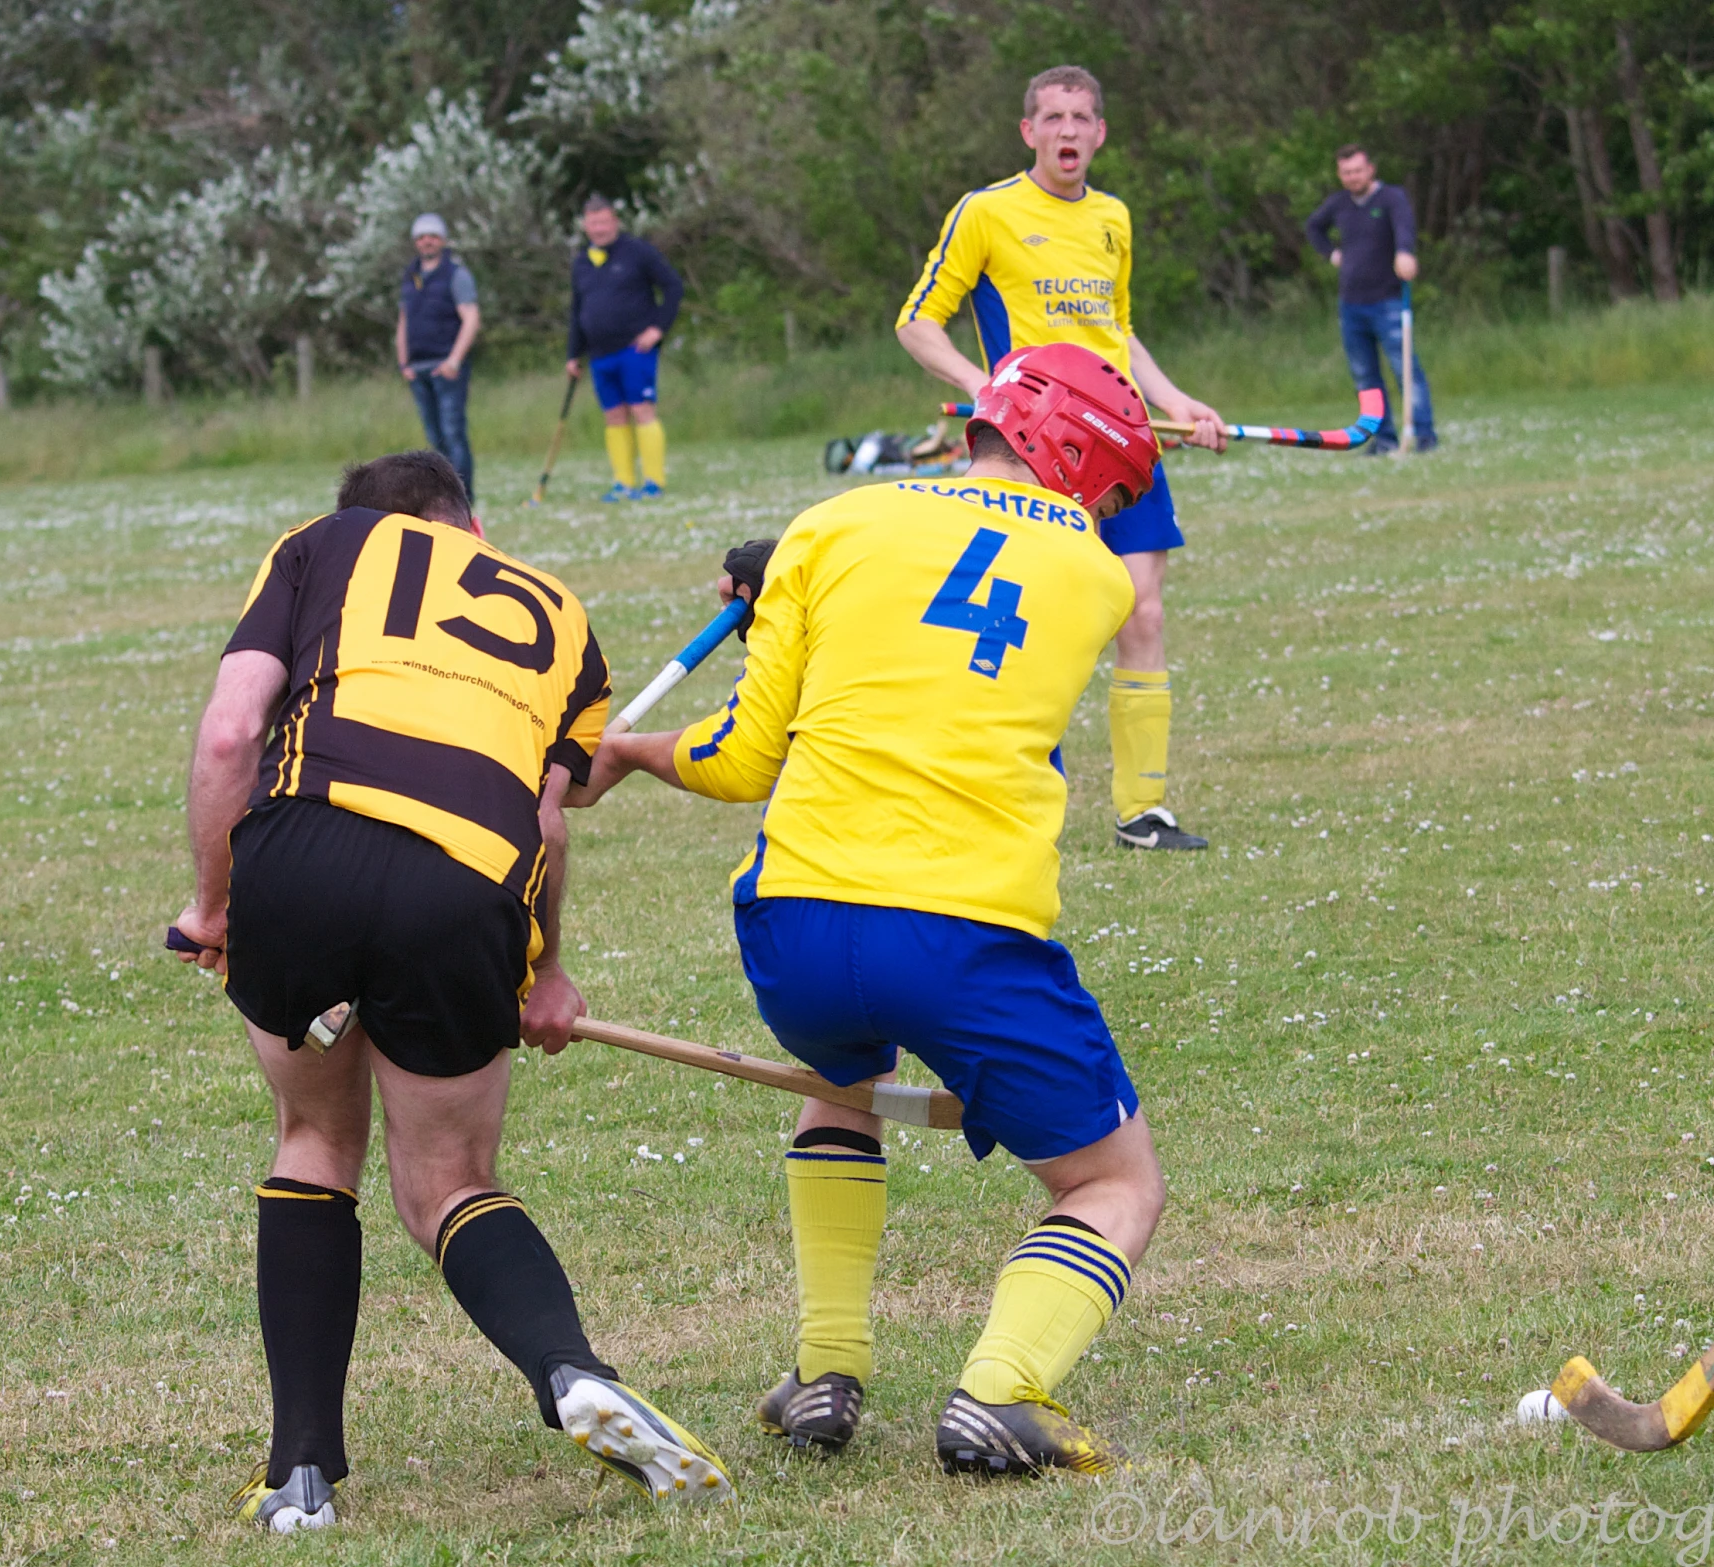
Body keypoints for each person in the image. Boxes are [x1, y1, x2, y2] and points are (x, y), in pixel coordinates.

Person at [577, 345, 1169, 1475]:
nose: (1105, 510)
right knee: (1112, 1180)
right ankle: (1003, 1390)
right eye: (1108, 488)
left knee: (835, 1085)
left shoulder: (832, 521)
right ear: (1078, 464)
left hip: (794, 922)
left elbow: (749, 753)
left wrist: (635, 752)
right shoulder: (1092, 572)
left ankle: (824, 1370)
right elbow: (959, 634)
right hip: (964, 928)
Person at [169, 450, 731, 1530]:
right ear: (467, 528)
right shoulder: (561, 613)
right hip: (468, 882)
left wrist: (211, 906)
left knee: (314, 1145)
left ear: (365, 522)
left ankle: (300, 1476)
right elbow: (549, 822)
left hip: (303, 849)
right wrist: (546, 969)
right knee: (449, 1182)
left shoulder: (317, 546)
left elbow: (235, 730)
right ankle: (572, 1372)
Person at [895, 64, 1222, 852]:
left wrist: (1174, 400)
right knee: (1036, 623)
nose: (1068, 131)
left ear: (1100, 132)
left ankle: (1144, 813)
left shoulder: (1114, 217)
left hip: (1126, 447)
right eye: (1053, 118)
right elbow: (916, 321)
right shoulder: (986, 213)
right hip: (1034, 453)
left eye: (1081, 117)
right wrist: (988, 387)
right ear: (1028, 132)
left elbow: (1119, 329)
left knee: (1141, 612)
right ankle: (1021, 795)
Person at [1304, 146, 1435, 456]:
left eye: (1358, 170)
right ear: (1340, 174)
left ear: (1370, 169)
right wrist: (1332, 254)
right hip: (1351, 305)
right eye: (1347, 172)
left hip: (1388, 301)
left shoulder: (1391, 198)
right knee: (1366, 377)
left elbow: (1404, 227)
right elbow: (1314, 227)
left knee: (1405, 370)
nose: (1353, 177)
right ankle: (1383, 438)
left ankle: (1425, 436)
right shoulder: (1338, 203)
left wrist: (1405, 252)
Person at [565, 196, 684, 502]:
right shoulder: (582, 261)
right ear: (585, 226)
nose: (599, 228)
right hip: (598, 354)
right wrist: (572, 355)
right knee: (614, 416)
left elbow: (673, 287)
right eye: (593, 223)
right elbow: (577, 309)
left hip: (635, 350)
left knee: (642, 410)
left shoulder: (638, 252)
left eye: (604, 221)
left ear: (615, 222)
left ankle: (653, 482)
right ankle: (623, 483)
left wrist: (657, 329)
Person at [396, 214, 482, 506]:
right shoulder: (410, 276)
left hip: (446, 369)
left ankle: (463, 498)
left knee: (453, 434)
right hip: (417, 369)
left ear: (442, 240)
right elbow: (404, 320)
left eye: (432, 235)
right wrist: (403, 363)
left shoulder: (456, 275)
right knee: (434, 439)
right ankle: (443, 497)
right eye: (421, 237)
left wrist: (454, 361)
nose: (426, 241)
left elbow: (471, 318)